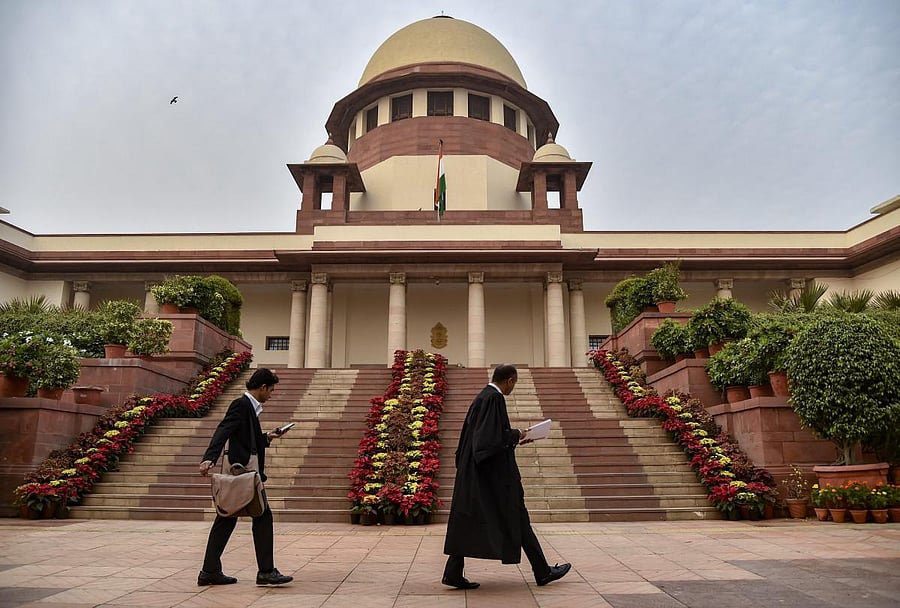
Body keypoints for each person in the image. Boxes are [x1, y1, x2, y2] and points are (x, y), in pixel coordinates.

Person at [442, 363, 571, 589]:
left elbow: (485, 438)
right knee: (517, 517)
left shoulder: (483, 397)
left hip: (477, 474)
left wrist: (515, 438)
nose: (513, 388)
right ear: (510, 380)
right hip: (493, 478)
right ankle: (542, 572)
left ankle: (454, 573)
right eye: (514, 384)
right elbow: (486, 442)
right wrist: (516, 434)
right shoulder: (494, 398)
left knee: (470, 521)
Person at [197, 368, 293, 587]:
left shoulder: (250, 407)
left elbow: (246, 438)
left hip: (245, 471)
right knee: (262, 516)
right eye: (271, 390)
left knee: (227, 518)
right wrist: (209, 458)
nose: (271, 394)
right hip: (242, 472)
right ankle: (266, 572)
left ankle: (210, 571)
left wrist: (268, 436)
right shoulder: (241, 404)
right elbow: (224, 430)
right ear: (262, 387)